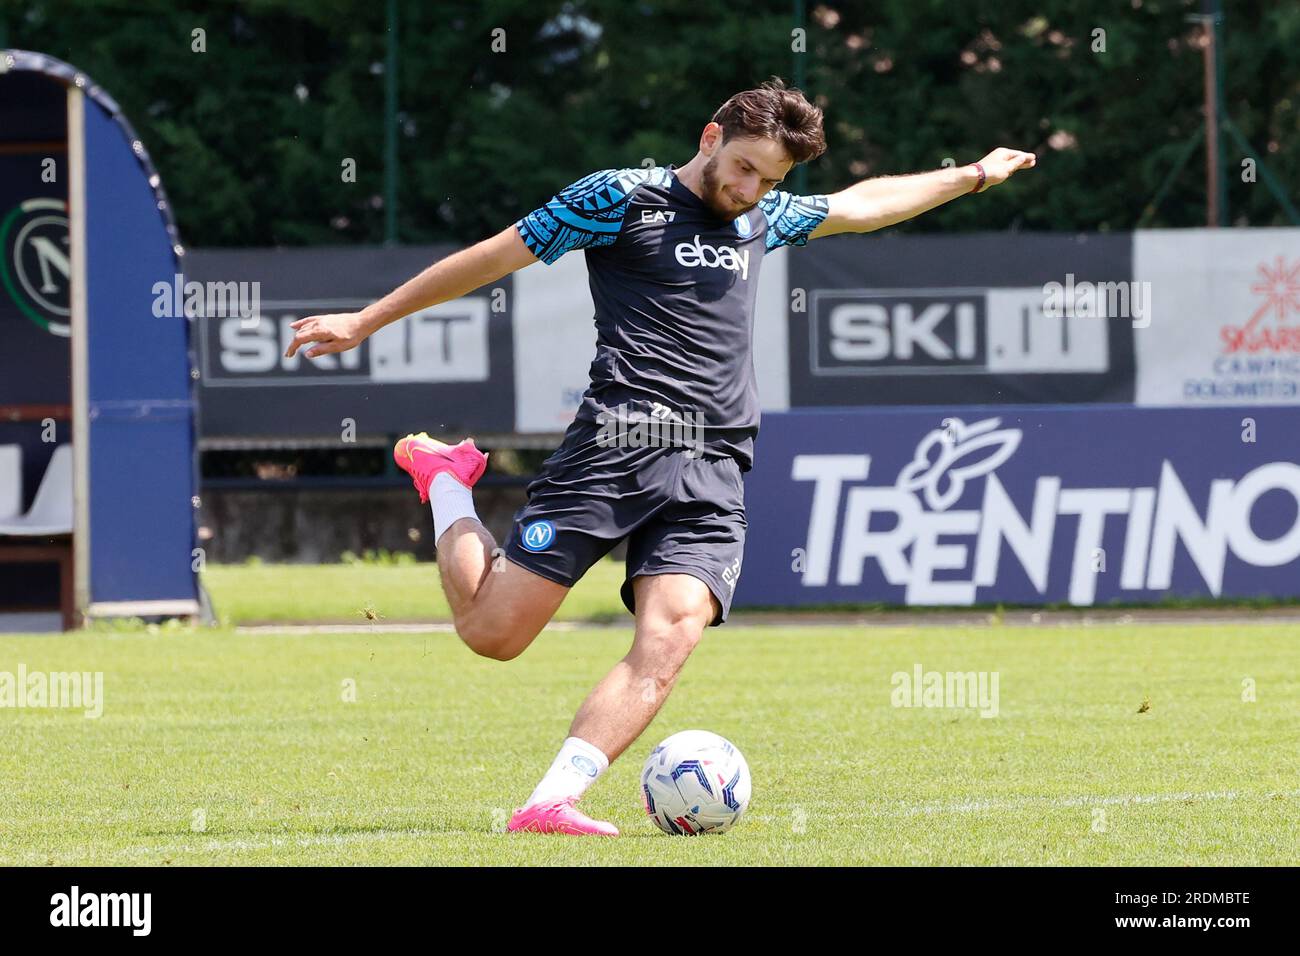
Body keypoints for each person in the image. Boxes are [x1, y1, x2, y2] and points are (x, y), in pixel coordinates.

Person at [284, 77, 1036, 836]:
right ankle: (448, 484)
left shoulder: (764, 217)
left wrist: (972, 175)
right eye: (743, 167)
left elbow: (863, 205)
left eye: (770, 180)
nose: (751, 189)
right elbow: (492, 257)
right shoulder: (617, 197)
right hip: (620, 442)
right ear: (710, 136)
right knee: (493, 635)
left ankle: (552, 801)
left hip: (717, 463)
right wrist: (365, 320)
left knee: (672, 633)